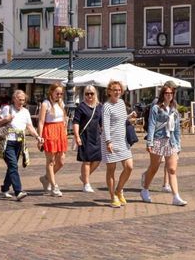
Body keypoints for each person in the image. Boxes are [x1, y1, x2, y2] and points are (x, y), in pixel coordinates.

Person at [140, 82, 187, 206]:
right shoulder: (156, 108)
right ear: (162, 94)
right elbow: (151, 125)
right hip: (158, 140)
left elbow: (177, 129)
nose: (169, 95)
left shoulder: (174, 110)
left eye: (171, 93)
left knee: (172, 169)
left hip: (170, 141)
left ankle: (176, 196)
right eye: (166, 93)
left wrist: (178, 145)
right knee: (154, 168)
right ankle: (145, 189)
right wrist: (149, 142)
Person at [0, 91, 42, 201]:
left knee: (12, 166)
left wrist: (37, 136)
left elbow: (29, 126)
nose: (22, 102)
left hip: (19, 143)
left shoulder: (25, 112)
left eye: (23, 100)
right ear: (14, 99)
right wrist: (5, 120)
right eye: (20, 100)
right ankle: (18, 191)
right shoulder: (7, 109)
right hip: (8, 142)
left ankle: (5, 188)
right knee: (13, 166)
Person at [102, 80, 133, 208]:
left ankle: (119, 190)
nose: (117, 92)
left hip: (122, 140)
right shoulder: (106, 106)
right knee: (111, 169)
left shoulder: (121, 103)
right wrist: (108, 141)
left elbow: (122, 120)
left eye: (119, 90)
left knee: (129, 166)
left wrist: (130, 117)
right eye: (115, 90)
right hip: (111, 141)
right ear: (109, 91)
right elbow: (106, 125)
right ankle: (112, 196)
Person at [37, 84, 68, 197]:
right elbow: (41, 122)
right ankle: (54, 186)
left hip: (60, 132)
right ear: (51, 92)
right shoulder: (46, 104)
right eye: (57, 93)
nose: (59, 95)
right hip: (50, 131)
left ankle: (46, 178)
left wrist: (64, 129)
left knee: (61, 161)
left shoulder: (61, 103)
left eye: (61, 93)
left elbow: (64, 118)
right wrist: (40, 137)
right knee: (50, 161)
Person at [72, 85, 103, 193]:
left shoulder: (99, 106)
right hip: (85, 136)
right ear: (84, 94)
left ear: (95, 94)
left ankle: (84, 177)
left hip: (96, 137)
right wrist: (77, 136)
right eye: (87, 93)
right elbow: (76, 122)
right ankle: (86, 184)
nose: (89, 95)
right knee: (87, 161)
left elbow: (102, 123)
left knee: (98, 159)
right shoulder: (81, 107)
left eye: (91, 93)